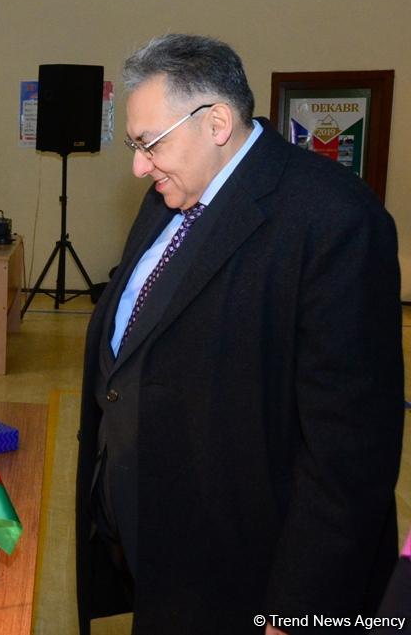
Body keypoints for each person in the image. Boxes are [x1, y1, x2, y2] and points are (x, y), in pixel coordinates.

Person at [75, 34, 403, 634]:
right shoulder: (170, 193)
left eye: (150, 143)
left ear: (217, 123)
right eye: (134, 145)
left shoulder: (335, 220)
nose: (139, 166)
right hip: (157, 546)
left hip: (244, 574)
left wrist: (299, 610)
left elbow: (349, 455)